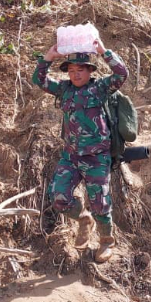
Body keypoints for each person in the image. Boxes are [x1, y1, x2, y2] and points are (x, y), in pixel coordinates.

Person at [32, 36, 128, 263]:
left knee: (101, 204)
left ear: (89, 71)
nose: (75, 74)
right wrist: (48, 57)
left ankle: (106, 241)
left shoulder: (100, 88)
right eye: (72, 70)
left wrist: (105, 51)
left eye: (80, 70)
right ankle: (83, 219)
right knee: (58, 196)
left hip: (96, 158)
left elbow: (121, 74)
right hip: (71, 156)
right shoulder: (63, 89)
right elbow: (39, 79)